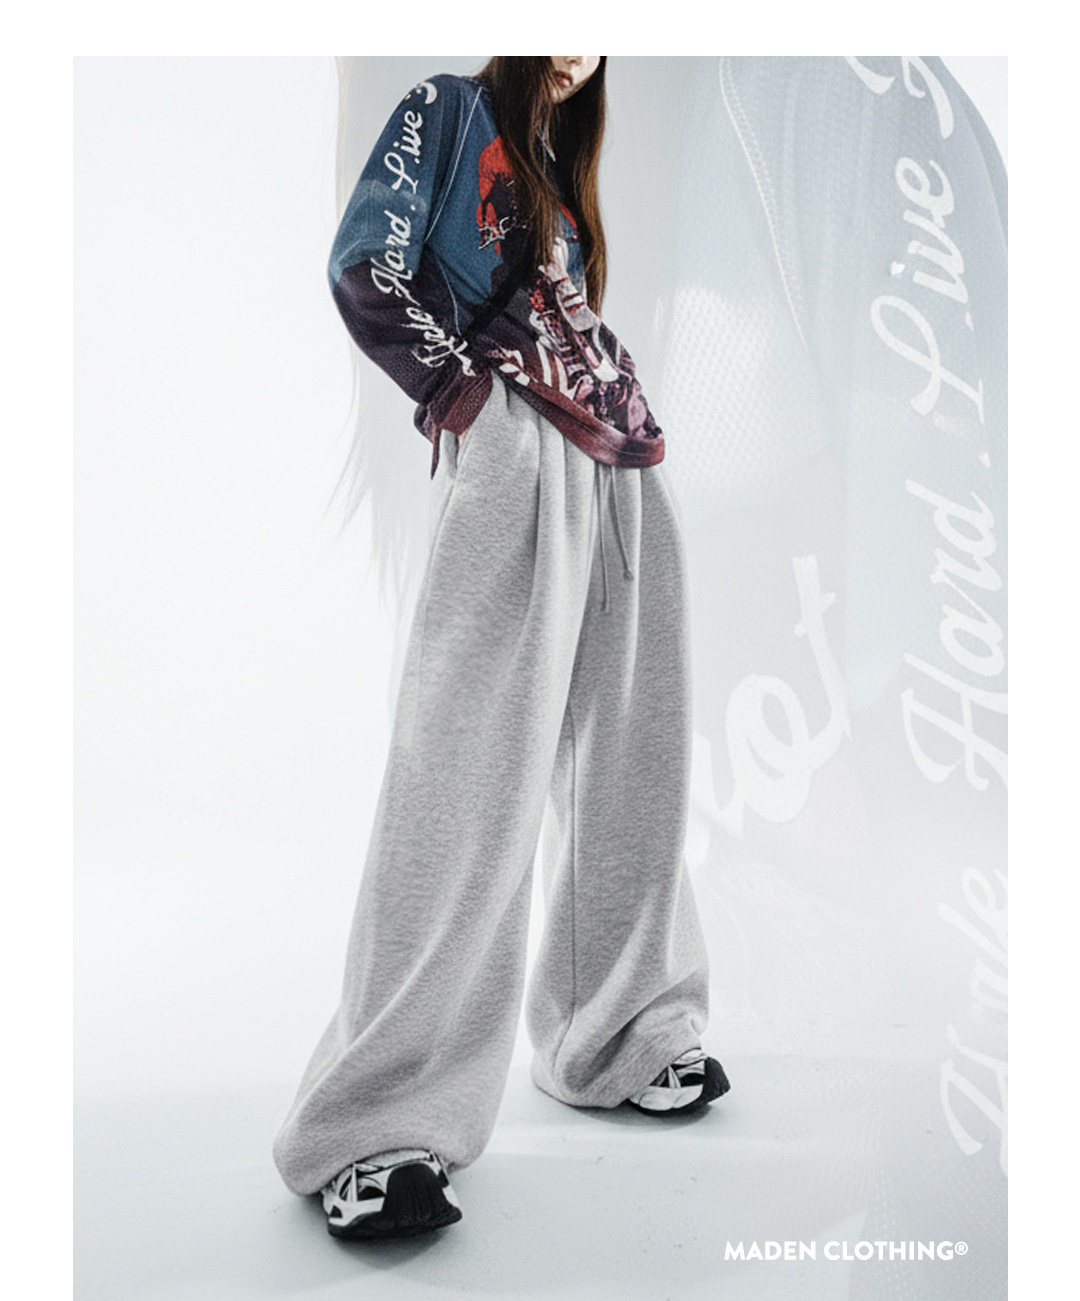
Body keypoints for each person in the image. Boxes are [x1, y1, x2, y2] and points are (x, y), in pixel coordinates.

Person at [271, 54, 731, 1241]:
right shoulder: (448, 109)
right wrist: (461, 393)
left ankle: (619, 1032)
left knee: (634, 757)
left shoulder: (560, 169)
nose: (578, 41)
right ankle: (374, 1121)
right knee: (467, 772)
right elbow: (363, 263)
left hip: (620, 457)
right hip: (516, 450)